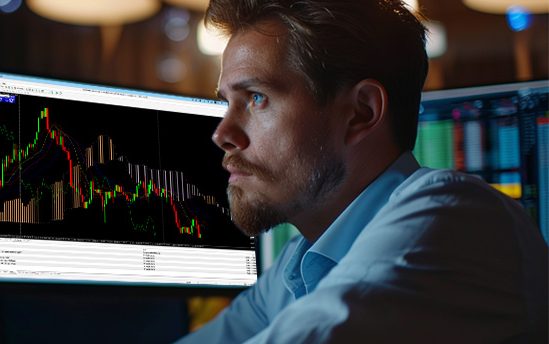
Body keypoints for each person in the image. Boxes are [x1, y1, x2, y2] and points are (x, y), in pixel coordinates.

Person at [175, 0, 549, 342]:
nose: (222, 134)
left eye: (257, 98)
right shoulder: (297, 265)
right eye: (227, 103)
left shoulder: (453, 217)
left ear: (361, 113)